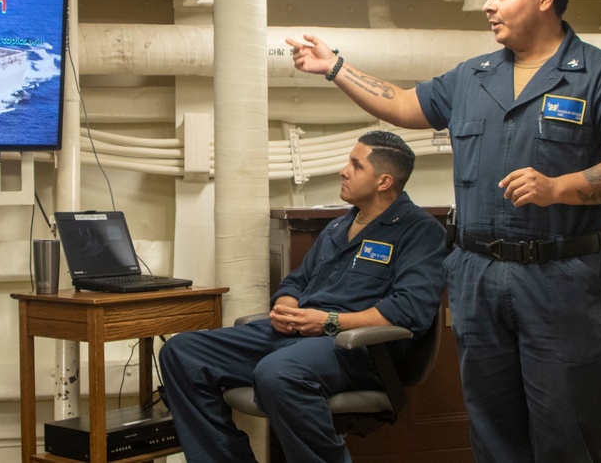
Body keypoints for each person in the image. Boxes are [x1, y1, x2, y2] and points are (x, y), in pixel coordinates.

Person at [286, 0, 601, 462]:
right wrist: (335, 67)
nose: (487, 4)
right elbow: (403, 104)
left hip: (557, 277)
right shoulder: (474, 76)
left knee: (567, 423)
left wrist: (559, 187)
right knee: (492, 424)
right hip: (477, 274)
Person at [159, 130, 446, 463]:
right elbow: (297, 281)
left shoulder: (421, 232)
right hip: (296, 335)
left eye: (355, 165)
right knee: (181, 353)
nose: (344, 170)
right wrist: (286, 306)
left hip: (354, 349)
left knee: (278, 374)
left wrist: (328, 322)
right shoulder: (340, 227)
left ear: (383, 182)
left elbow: (409, 311)